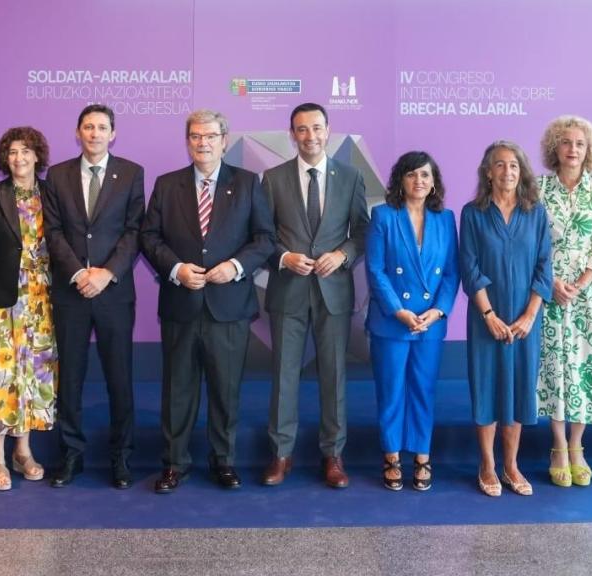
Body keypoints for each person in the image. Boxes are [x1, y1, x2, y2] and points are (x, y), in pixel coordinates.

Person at [140, 109, 275, 494]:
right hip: (181, 305)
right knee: (177, 391)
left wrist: (235, 266)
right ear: (188, 142)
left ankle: (224, 461)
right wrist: (176, 268)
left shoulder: (247, 183)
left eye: (211, 136)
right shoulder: (167, 185)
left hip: (229, 307)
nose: (203, 143)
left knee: (225, 391)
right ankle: (174, 464)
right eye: (196, 136)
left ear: (224, 141)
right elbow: (149, 237)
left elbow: (265, 238)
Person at [261, 102, 368, 489]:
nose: (310, 136)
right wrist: (284, 257)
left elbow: (362, 231)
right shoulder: (272, 178)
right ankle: (281, 454)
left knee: (334, 376)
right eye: (302, 129)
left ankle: (333, 455)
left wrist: (342, 255)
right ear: (292, 134)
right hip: (287, 290)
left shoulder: (351, 177)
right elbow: (262, 235)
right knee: (284, 375)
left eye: (317, 128)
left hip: (333, 291)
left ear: (328, 130)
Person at [43, 104, 145, 489]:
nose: (95, 133)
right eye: (88, 127)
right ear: (78, 132)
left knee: (119, 377)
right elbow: (53, 232)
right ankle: (71, 454)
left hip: (113, 292)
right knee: (70, 378)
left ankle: (121, 457)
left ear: (113, 134)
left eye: (102, 127)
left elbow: (134, 231)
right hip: (71, 292)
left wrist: (106, 273)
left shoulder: (131, 173)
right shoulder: (58, 175)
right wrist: (78, 273)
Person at [536, 116, 592, 488]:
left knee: (586, 365)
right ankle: (558, 445)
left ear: (588, 150)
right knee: (556, 367)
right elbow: (531, 241)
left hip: (590, 295)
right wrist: (552, 282)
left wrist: (580, 282)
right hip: (549, 291)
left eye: (580, 143)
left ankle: (577, 445)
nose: (572, 149)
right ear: (554, 147)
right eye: (566, 142)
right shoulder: (538, 188)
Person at [460, 140, 552, 497]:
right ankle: (487, 465)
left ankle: (511, 466)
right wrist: (489, 315)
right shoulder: (473, 213)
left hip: (525, 322)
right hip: (486, 319)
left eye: (514, 165)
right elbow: (470, 268)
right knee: (487, 388)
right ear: (488, 172)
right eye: (500, 164)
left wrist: (529, 316)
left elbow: (544, 267)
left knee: (518, 389)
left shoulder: (536, 213)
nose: (507, 171)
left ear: (522, 171)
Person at [0, 126, 58, 491]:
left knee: (33, 375)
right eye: (12, 152)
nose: (19, 158)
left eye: (25, 151)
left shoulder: (52, 193)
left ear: (37, 156)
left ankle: (23, 451)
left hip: (42, 301)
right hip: (3, 301)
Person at [365, 151, 459, 492]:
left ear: (434, 182)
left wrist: (438, 311)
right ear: (400, 180)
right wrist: (398, 310)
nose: (419, 180)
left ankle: (422, 456)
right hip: (392, 322)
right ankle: (391, 456)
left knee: (423, 390)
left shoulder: (446, 219)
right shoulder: (383, 216)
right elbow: (375, 269)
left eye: (425, 175)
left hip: (429, 323)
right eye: (411, 174)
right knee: (391, 391)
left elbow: (451, 272)